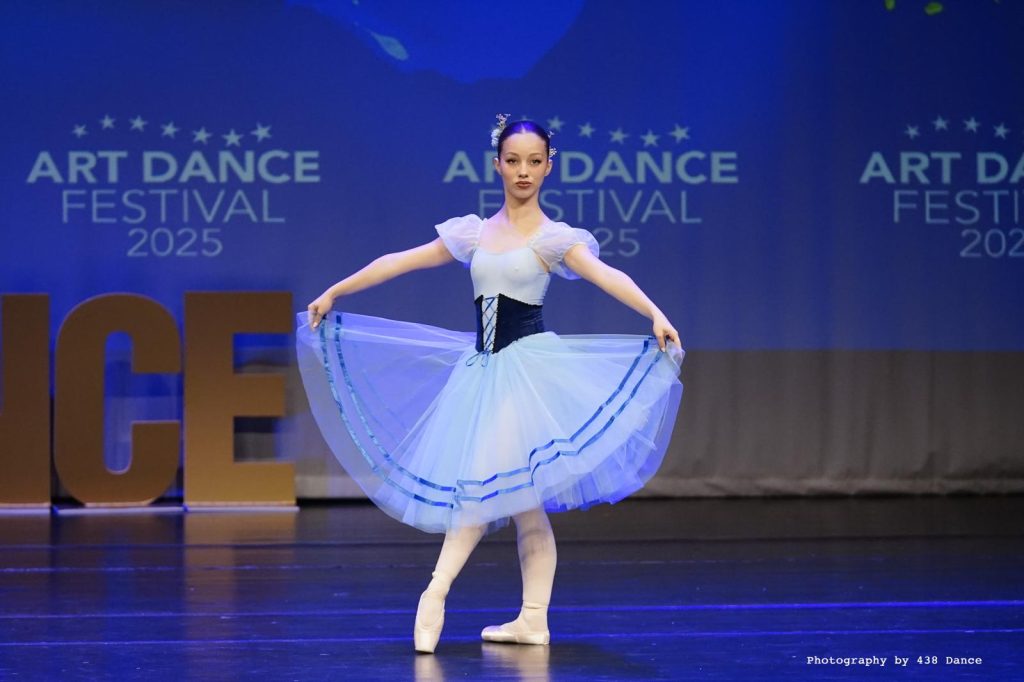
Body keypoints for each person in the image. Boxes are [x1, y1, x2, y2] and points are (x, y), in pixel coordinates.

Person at [296, 115, 684, 654]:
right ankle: (533, 620)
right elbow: (399, 262)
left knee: (480, 489)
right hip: (482, 370)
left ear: (548, 167)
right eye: (513, 160)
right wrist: (336, 290)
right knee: (525, 504)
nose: (523, 171)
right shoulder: (473, 233)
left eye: (534, 161)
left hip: (529, 373)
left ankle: (435, 593)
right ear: (498, 164)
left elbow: (609, 275)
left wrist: (655, 313)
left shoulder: (554, 239)